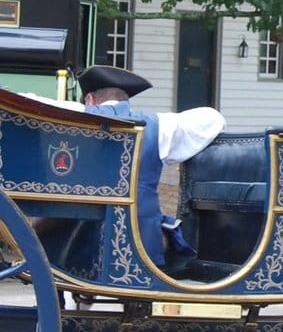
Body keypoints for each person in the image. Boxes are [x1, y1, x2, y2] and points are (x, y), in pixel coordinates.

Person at [77, 65, 226, 259]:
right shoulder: (157, 125)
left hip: (80, 242)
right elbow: (213, 118)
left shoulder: (75, 120)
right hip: (141, 242)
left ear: (90, 99)